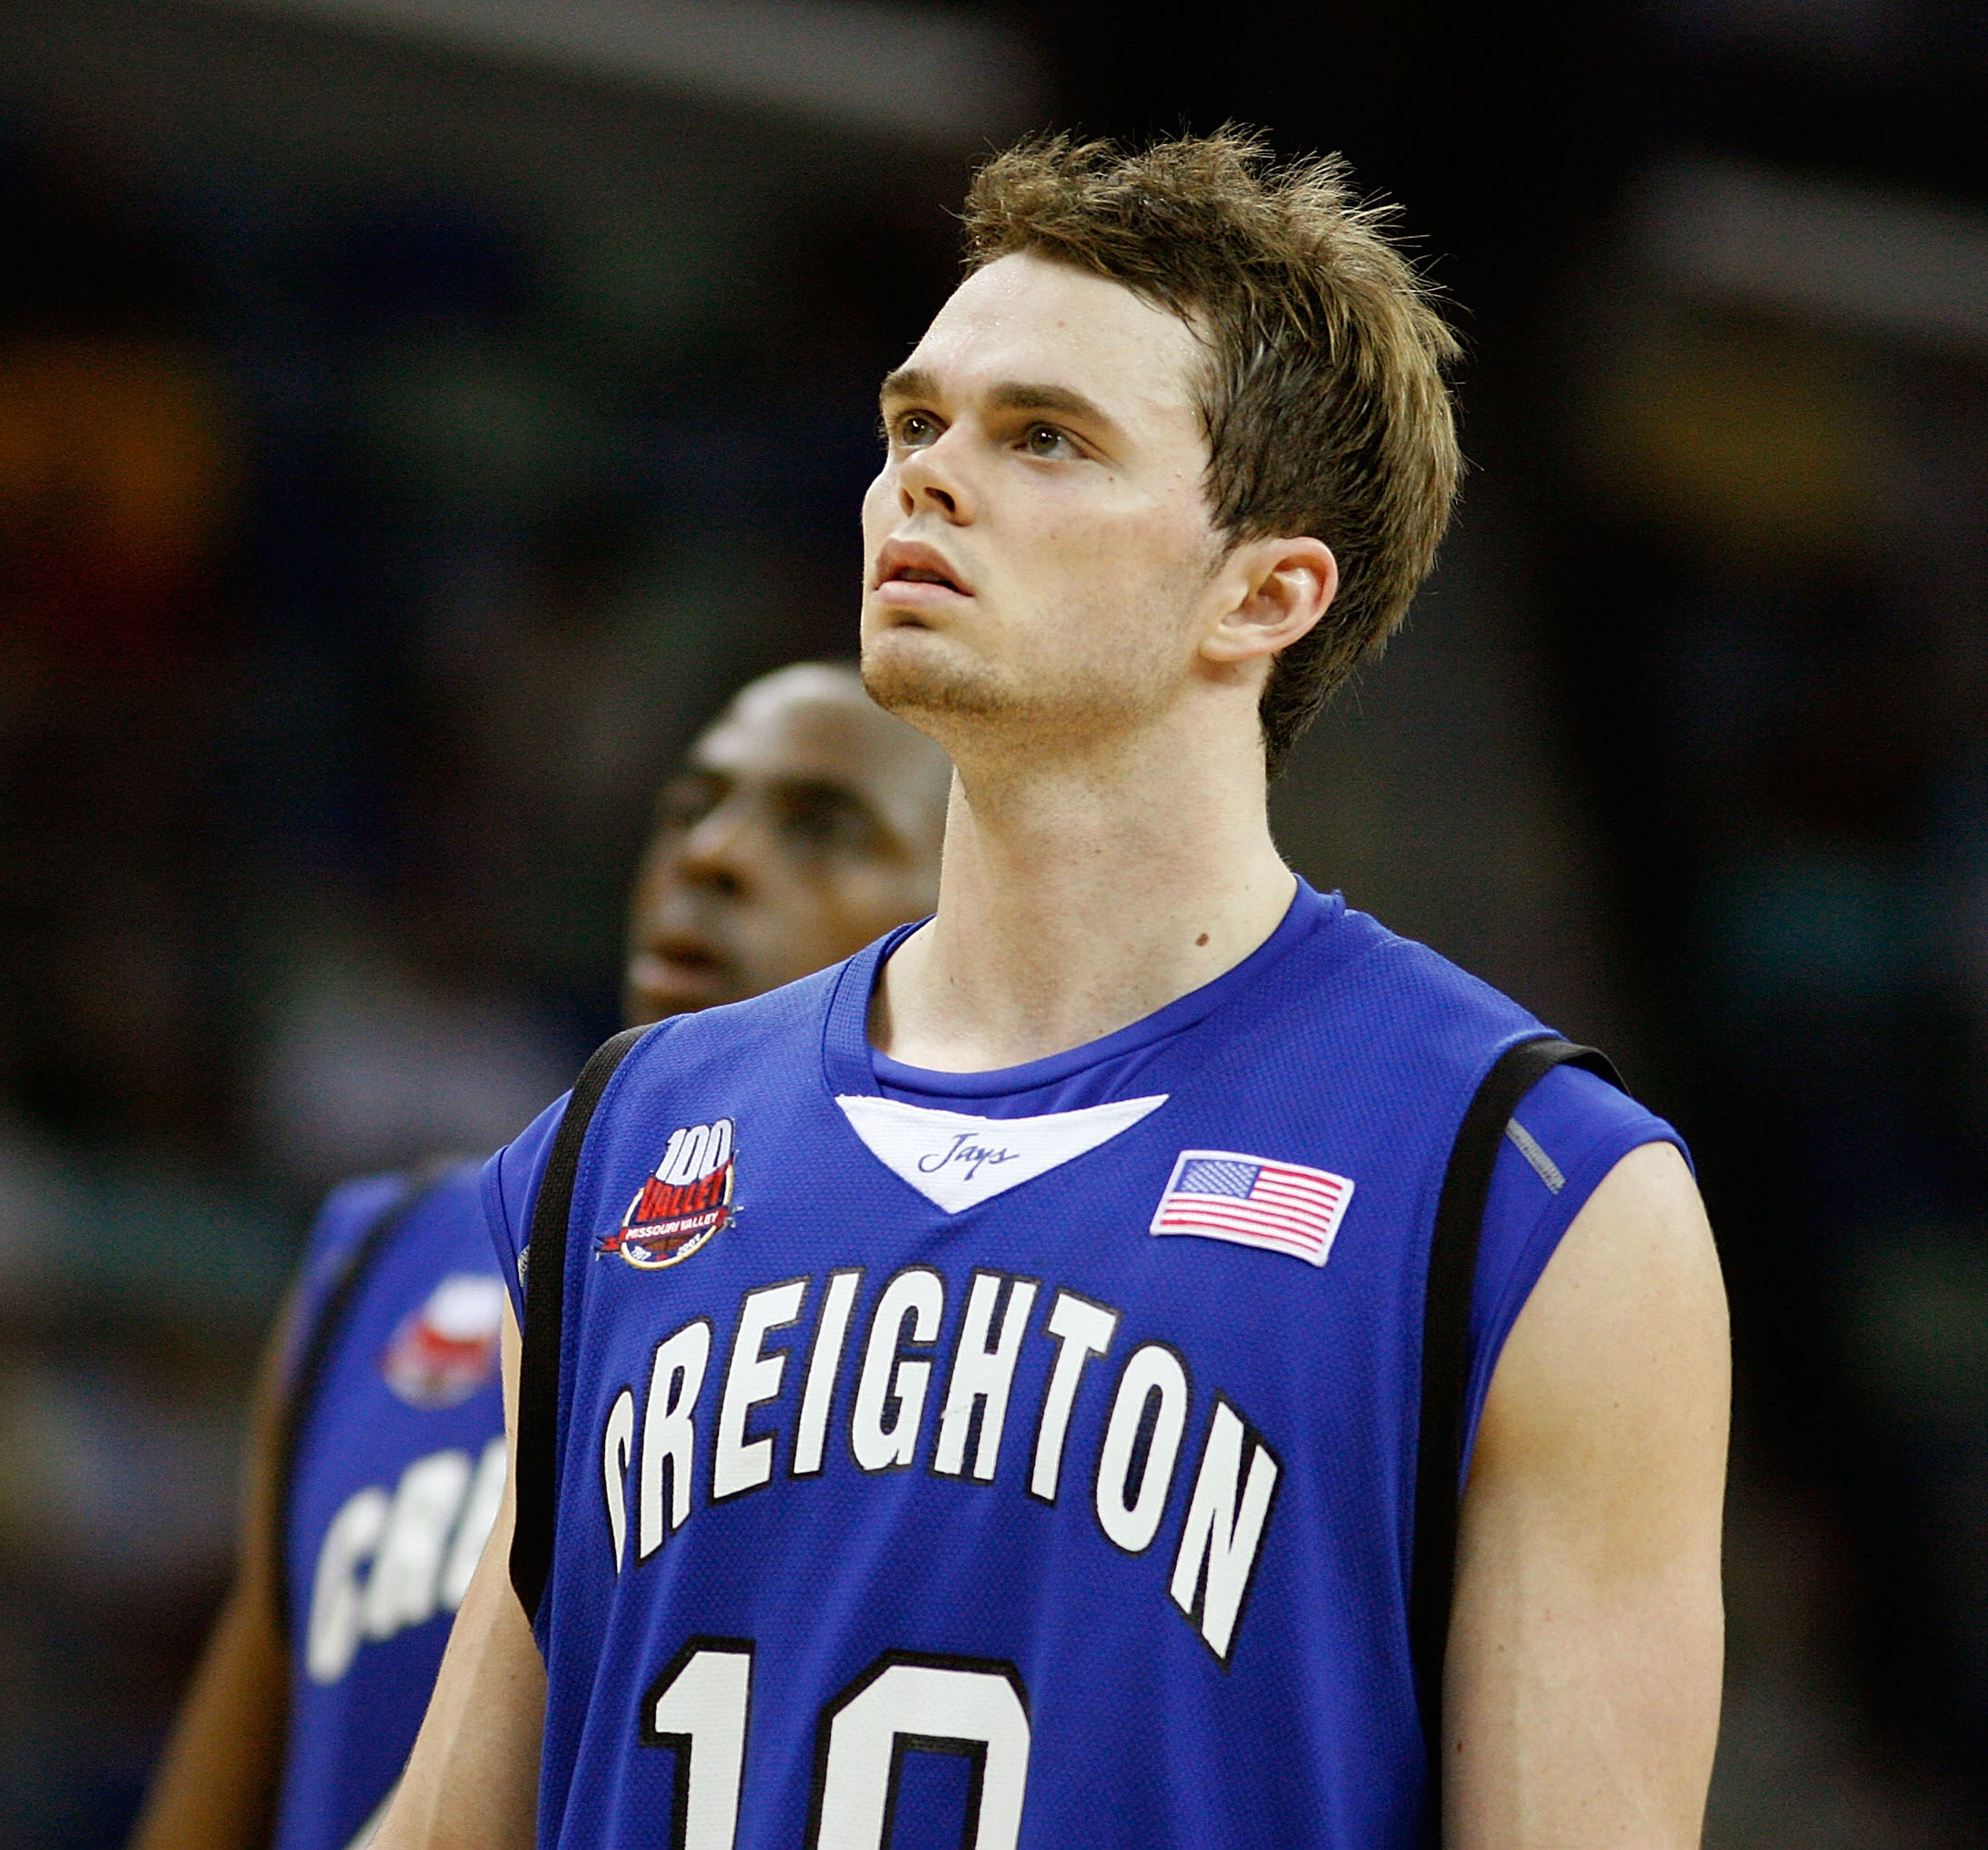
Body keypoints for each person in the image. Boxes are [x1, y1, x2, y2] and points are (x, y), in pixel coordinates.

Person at [378, 129, 1729, 1850]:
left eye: (1045, 439)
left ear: (1267, 590)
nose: (928, 480)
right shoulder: (629, 1135)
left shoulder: (1528, 1193)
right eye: (914, 424)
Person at [131, 663, 952, 1850]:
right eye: (689, 807)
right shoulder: (386, 1258)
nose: (712, 855)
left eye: (821, 826)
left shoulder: (947, 1331)